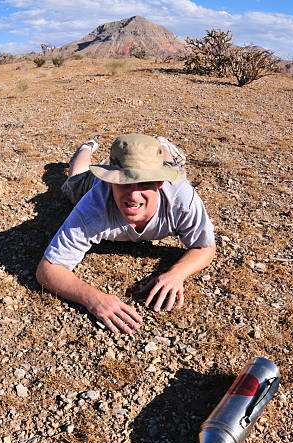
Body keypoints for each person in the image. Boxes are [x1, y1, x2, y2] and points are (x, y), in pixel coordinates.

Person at [36, 133, 216, 334]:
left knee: (176, 170)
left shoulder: (182, 199)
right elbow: (48, 269)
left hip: (168, 175)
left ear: (160, 182)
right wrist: (93, 298)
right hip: (91, 183)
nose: (133, 195)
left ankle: (161, 145)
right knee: (74, 180)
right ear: (110, 181)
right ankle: (86, 147)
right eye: (124, 182)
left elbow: (205, 247)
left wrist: (177, 273)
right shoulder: (93, 204)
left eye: (145, 182)